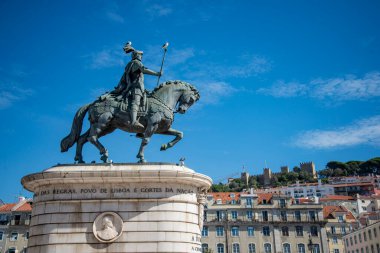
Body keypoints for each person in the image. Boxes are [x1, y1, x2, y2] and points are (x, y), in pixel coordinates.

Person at [113, 44, 161, 129]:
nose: (141, 57)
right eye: (140, 55)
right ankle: (134, 121)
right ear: (136, 55)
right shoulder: (135, 63)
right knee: (136, 102)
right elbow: (144, 70)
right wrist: (156, 74)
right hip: (135, 87)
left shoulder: (134, 63)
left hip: (140, 87)